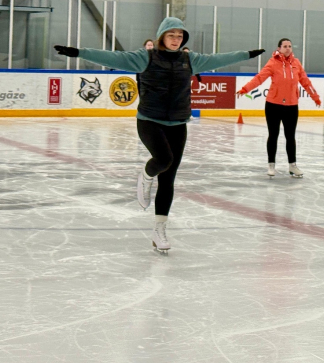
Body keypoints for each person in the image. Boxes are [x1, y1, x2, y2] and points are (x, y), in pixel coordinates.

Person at [54, 17, 264, 252]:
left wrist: (246, 54)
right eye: (171, 35)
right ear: (162, 36)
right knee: (163, 160)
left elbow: (219, 59)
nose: (176, 39)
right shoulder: (146, 57)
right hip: (150, 121)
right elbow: (112, 57)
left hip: (178, 122)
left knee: (169, 178)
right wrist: (78, 52)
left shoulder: (190, 60)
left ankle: (159, 229)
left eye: (180, 35)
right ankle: (145, 175)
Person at [236, 38, 321, 178]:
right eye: (285, 46)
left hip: (291, 106)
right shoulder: (273, 63)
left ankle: (292, 166)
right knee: (273, 135)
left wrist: (315, 97)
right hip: (273, 105)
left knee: (290, 136)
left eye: (290, 46)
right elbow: (259, 78)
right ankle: (271, 165)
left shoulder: (296, 63)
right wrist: (245, 89)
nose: (288, 48)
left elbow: (306, 82)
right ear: (279, 48)